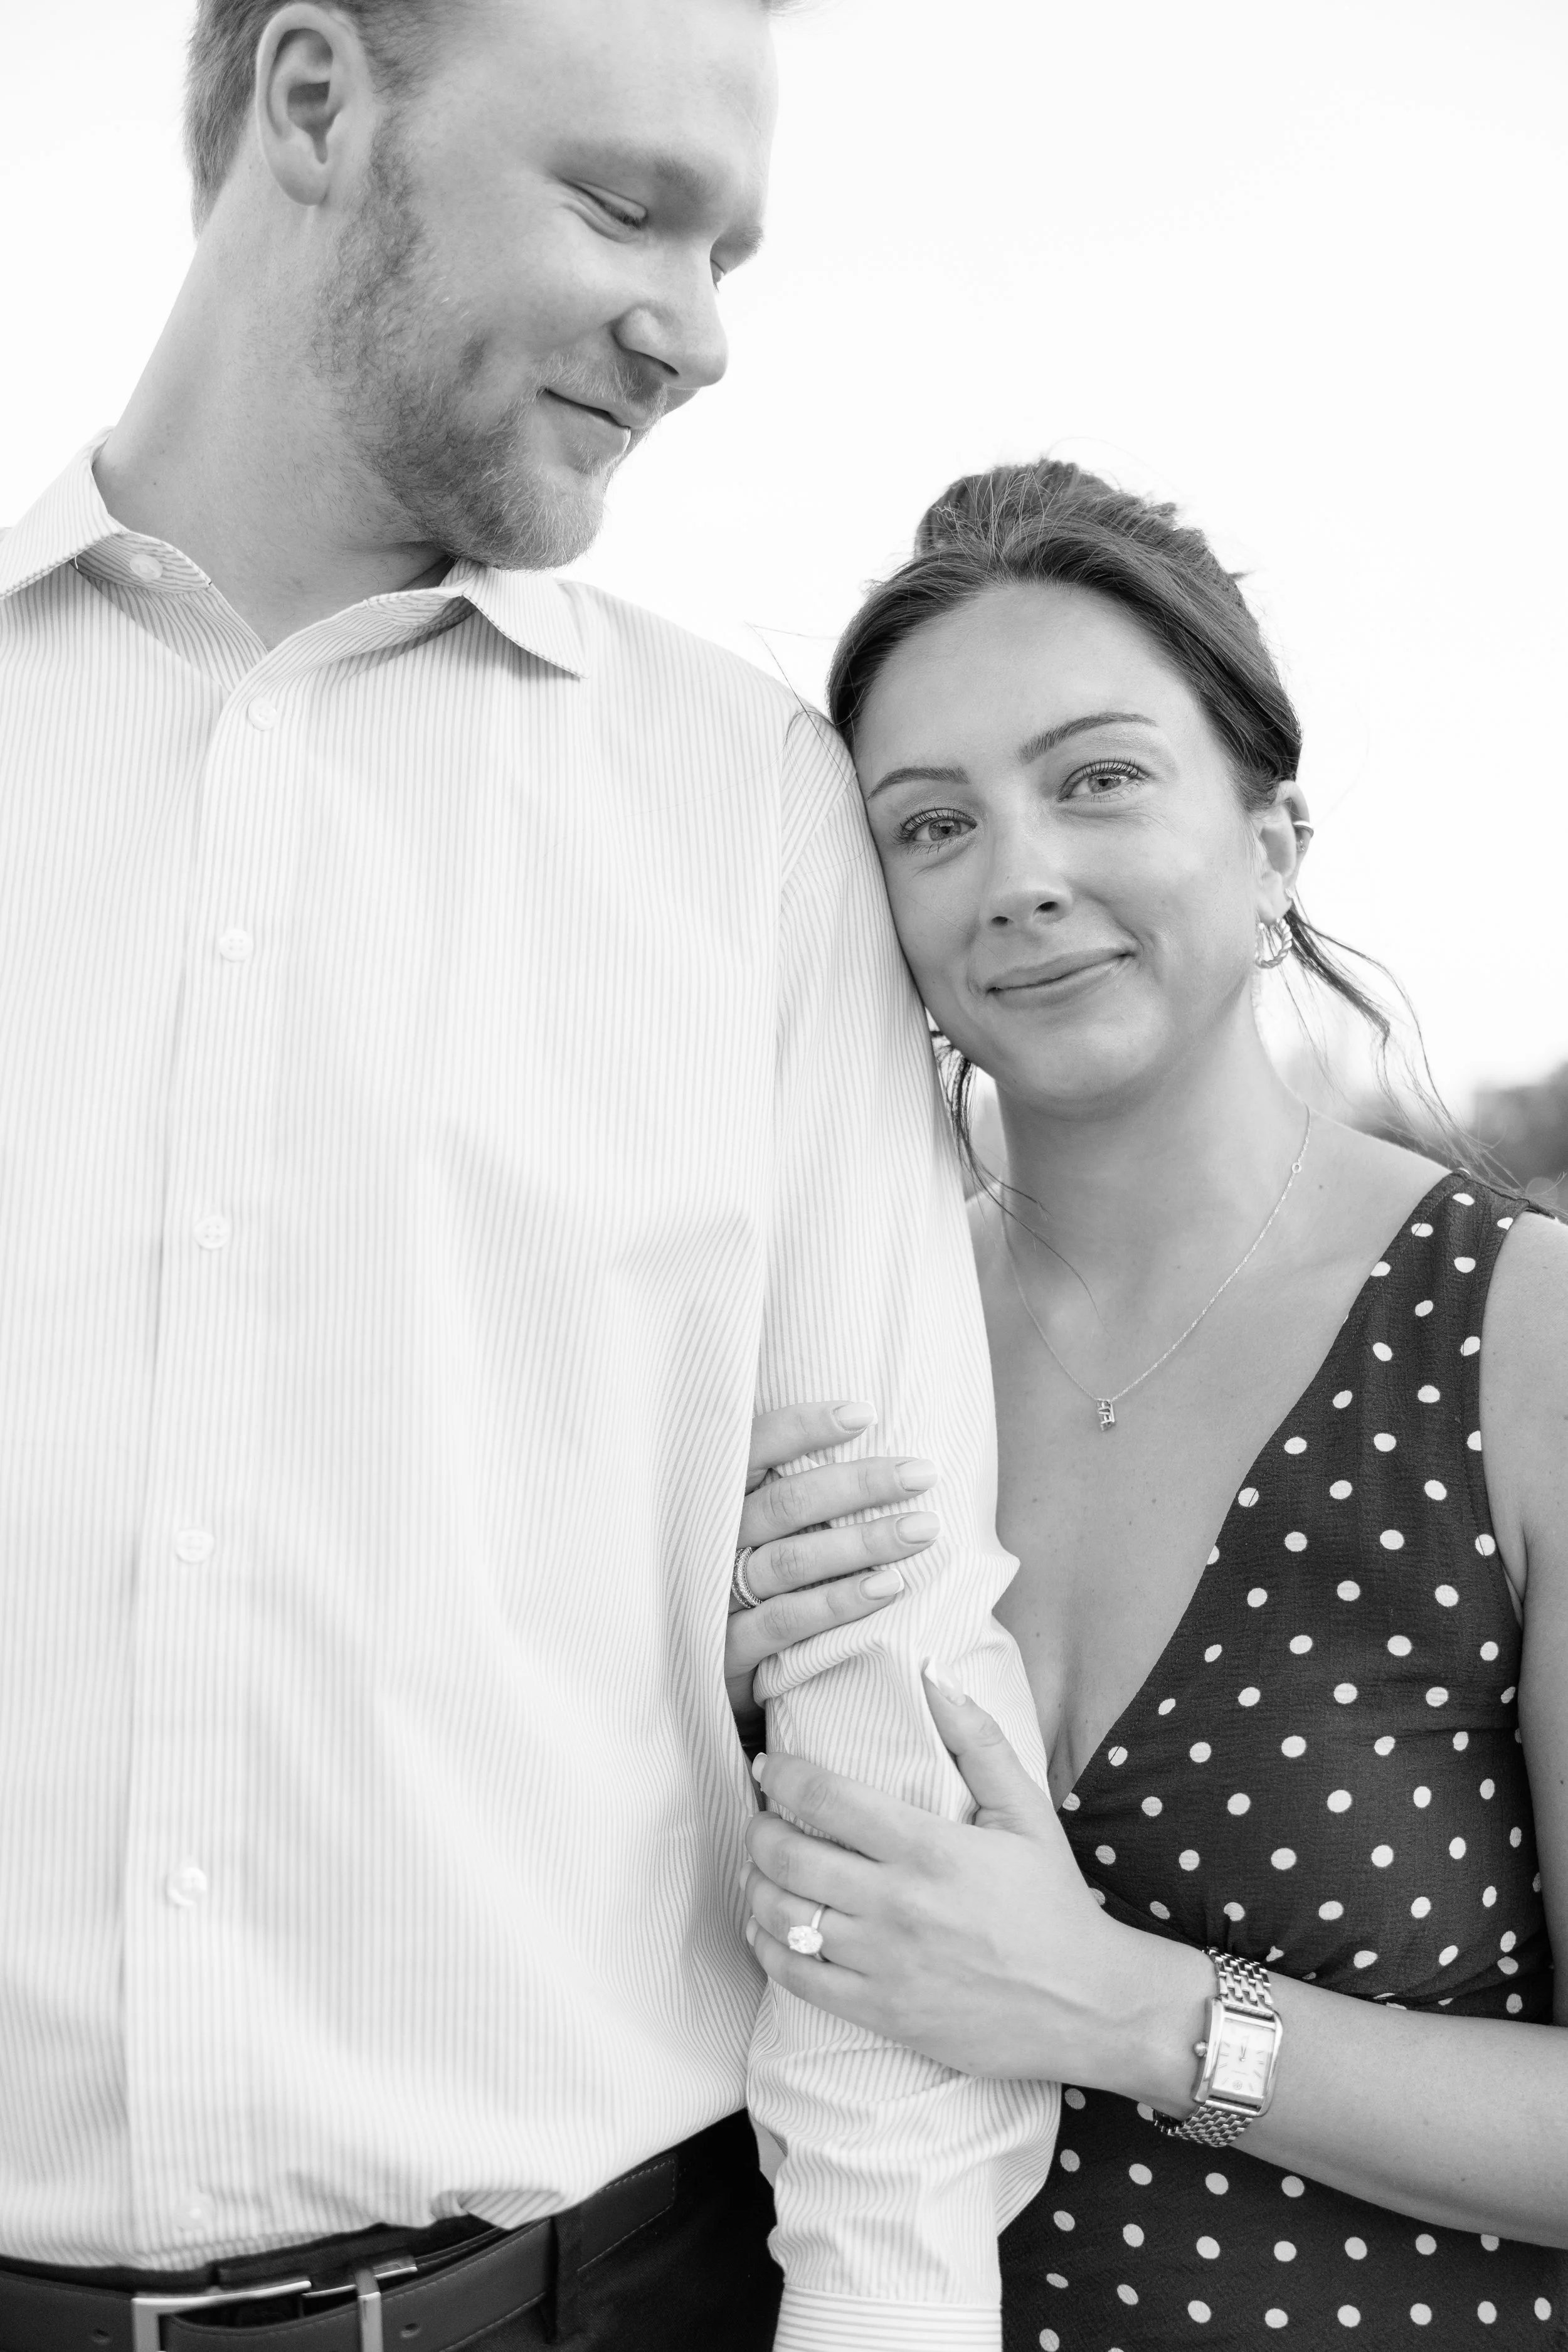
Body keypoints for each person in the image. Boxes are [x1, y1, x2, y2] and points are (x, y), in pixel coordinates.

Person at [0, 8, 1060, 2348]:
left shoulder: (749, 813)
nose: (696, 332)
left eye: (726, 251)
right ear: (314, 102)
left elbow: (881, 1691)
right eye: (622, 205)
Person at [737, 462, 1568, 2349]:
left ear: (1271, 843)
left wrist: (1129, 2008)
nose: (1017, 872)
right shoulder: (818, 1358)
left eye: (1099, 778)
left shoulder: (1515, 1340)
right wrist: (694, 1695)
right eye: (929, 823)